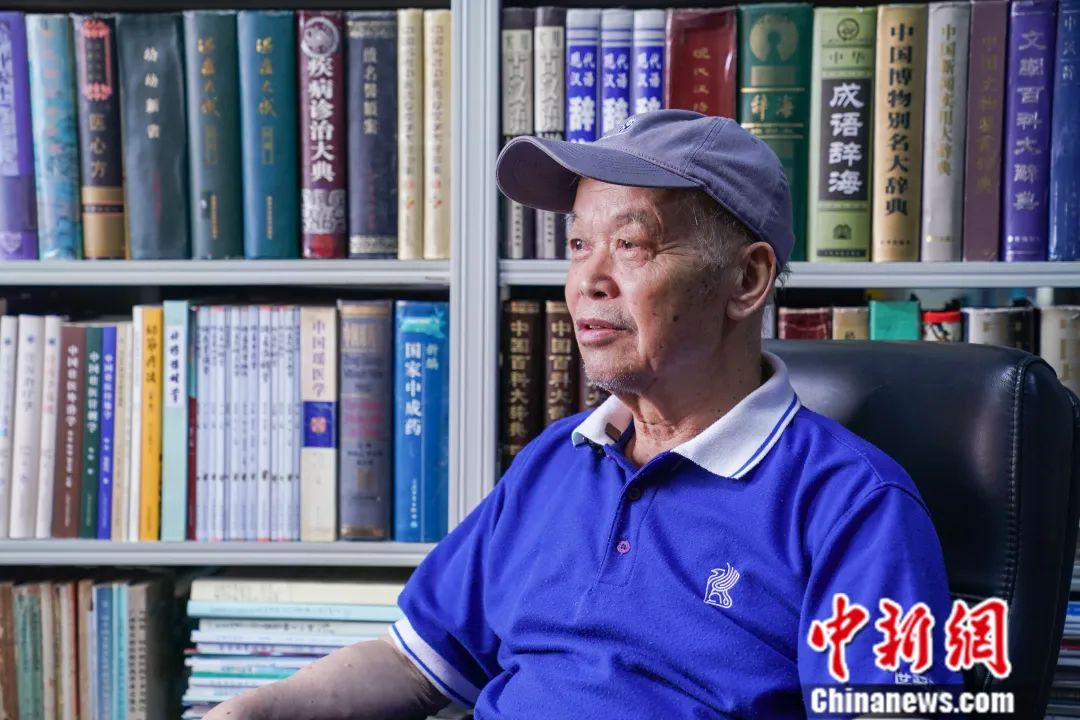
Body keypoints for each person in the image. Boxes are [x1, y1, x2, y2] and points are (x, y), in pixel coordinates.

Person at [206, 110, 961, 719]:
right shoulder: (557, 458)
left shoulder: (852, 506)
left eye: (630, 244)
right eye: (577, 245)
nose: (586, 283)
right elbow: (415, 663)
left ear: (746, 279)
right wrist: (256, 709)